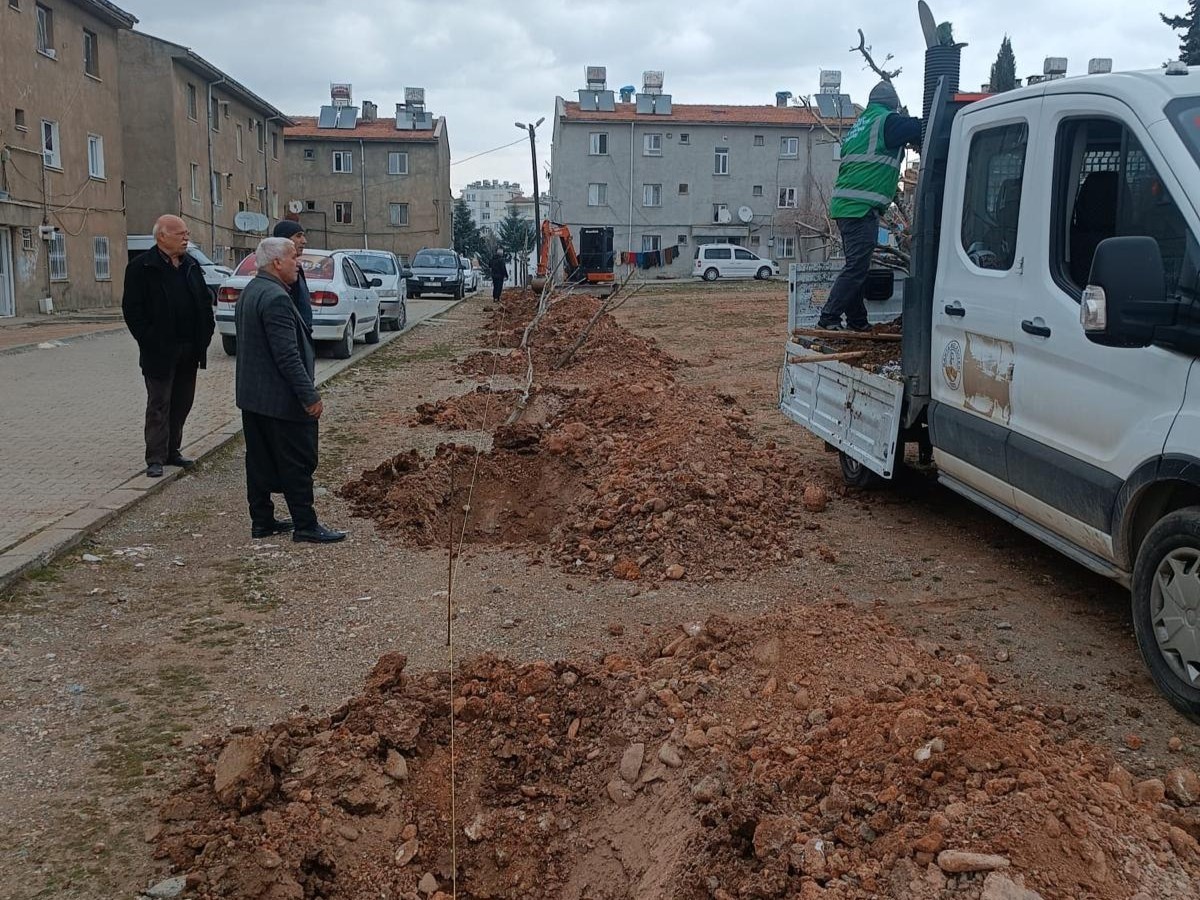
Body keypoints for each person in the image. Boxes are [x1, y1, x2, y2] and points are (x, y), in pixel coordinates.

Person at [235, 237, 346, 543]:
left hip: (253, 397)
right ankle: (306, 525)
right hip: (279, 400)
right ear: (276, 263)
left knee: (258, 460)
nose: (298, 264)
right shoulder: (277, 298)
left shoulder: (252, 291)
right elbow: (287, 355)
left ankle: (262, 520)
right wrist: (308, 396)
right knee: (297, 461)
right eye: (293, 258)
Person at [818, 81, 922, 332]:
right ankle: (829, 317)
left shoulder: (861, 125)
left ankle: (857, 321)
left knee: (856, 266)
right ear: (893, 105)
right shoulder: (886, 121)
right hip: (860, 207)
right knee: (856, 268)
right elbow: (920, 127)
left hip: (846, 206)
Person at [121, 215, 216, 478]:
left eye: (187, 233)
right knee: (159, 404)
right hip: (159, 351)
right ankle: (155, 457)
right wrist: (149, 339)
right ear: (162, 236)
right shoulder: (142, 267)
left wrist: (205, 335)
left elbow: (204, 303)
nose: (186, 238)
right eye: (180, 234)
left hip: (189, 349)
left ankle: (173, 450)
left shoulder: (191, 265)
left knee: (182, 402)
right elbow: (133, 311)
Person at [271, 220, 313, 332]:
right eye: (299, 236)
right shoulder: (280, 273)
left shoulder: (296, 270)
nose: (304, 241)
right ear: (284, 240)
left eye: (303, 236)